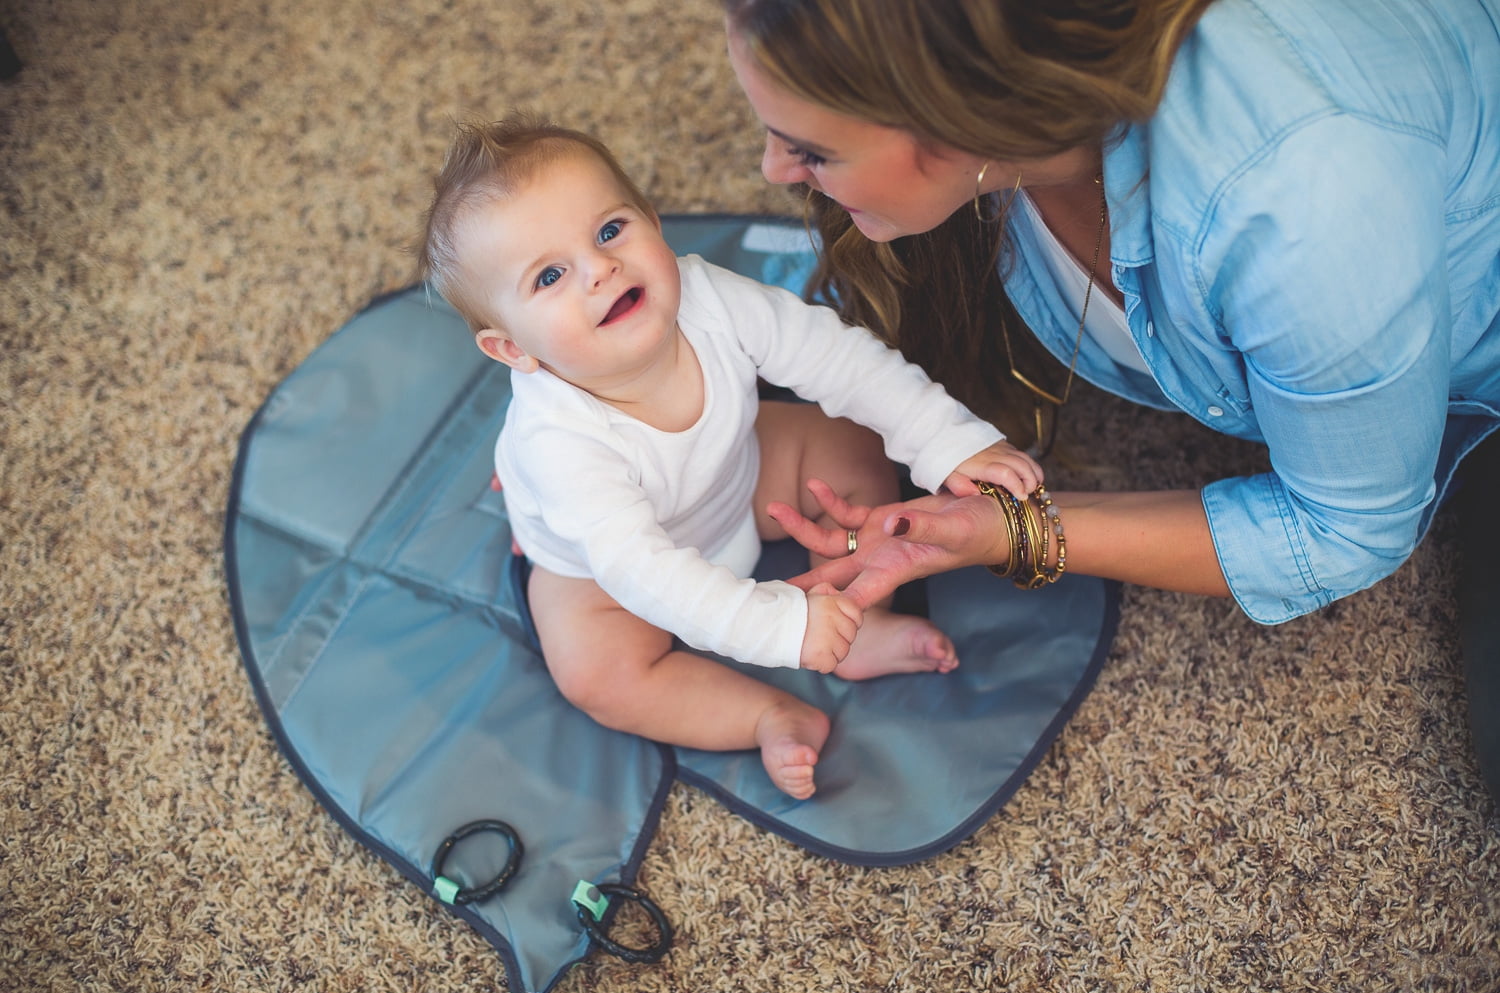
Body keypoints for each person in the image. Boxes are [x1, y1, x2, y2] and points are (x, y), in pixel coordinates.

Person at [722, 0, 1500, 793]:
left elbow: (1346, 526)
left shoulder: (1305, 208)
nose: (773, 172)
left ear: (958, 117)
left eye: (811, 152)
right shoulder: (1007, 101)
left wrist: (1009, 532)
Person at [415, 114, 1044, 798]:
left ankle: (857, 617)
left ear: (652, 222)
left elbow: (836, 357)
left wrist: (946, 439)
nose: (600, 270)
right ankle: (765, 714)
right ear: (513, 349)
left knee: (849, 440)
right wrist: (779, 627)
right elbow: (643, 571)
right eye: (550, 277)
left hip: (736, 474)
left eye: (609, 230)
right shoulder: (558, 444)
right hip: (606, 577)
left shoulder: (708, 297)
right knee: (597, 677)